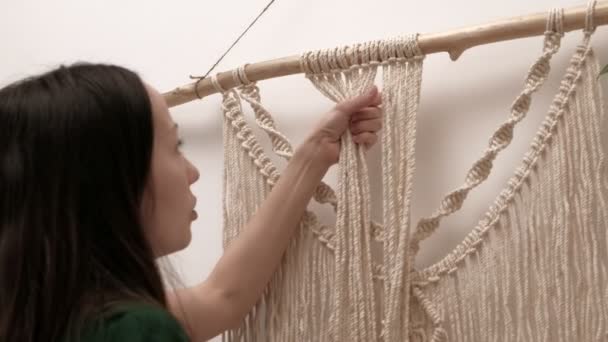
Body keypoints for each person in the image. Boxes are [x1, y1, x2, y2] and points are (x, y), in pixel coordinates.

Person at [0, 63, 382, 341]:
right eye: (175, 146)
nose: (192, 172)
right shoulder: (130, 330)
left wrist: (314, 154)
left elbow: (221, 297)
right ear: (108, 181)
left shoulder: (37, 309)